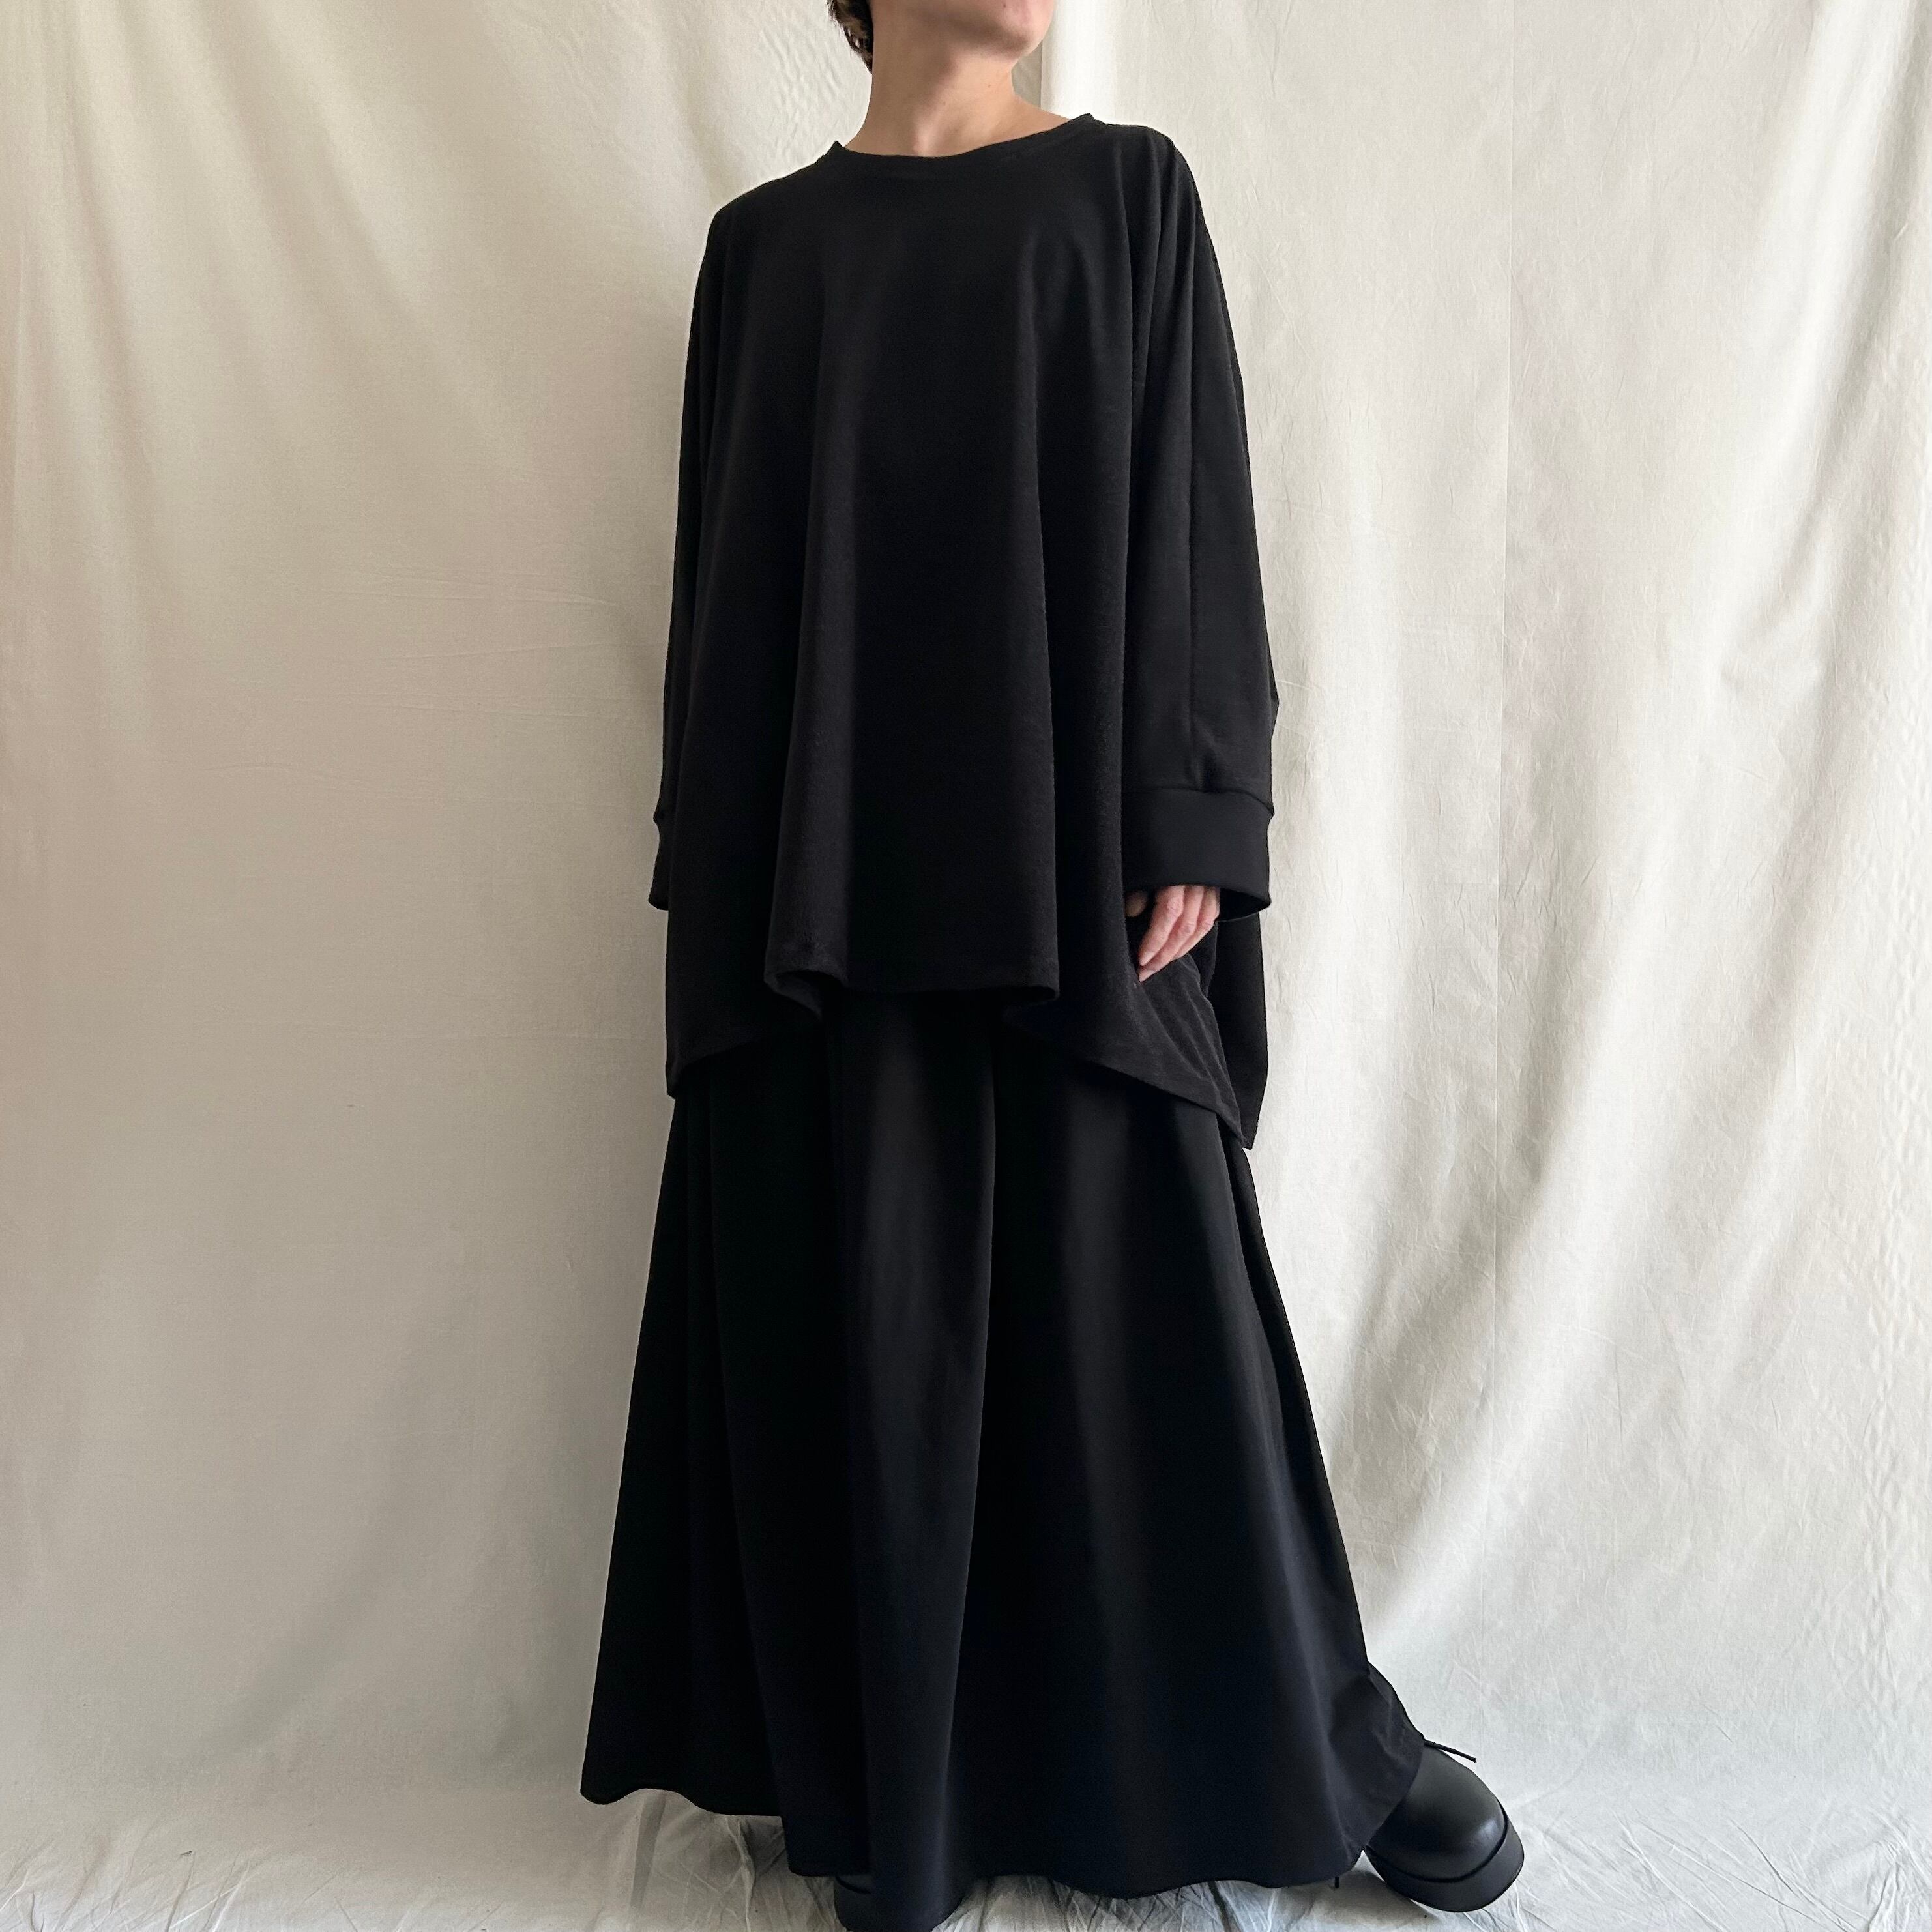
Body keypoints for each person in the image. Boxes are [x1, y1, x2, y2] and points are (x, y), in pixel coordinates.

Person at [579, 1, 1526, 1925]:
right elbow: (722, 588)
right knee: (858, 1320)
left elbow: (1193, 505)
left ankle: (1320, 1739)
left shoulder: (1125, 193)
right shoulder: (763, 251)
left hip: (1071, 865)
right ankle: (895, 1803)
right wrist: (719, 869)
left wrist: (1196, 807)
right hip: (823, 892)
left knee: (1151, 1312)